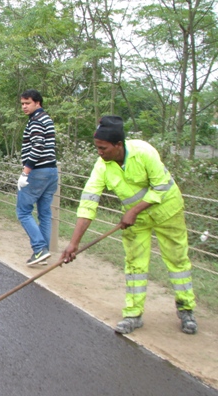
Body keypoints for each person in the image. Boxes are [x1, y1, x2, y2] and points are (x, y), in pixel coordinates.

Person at [60, 116, 198, 335]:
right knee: (135, 264)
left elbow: (161, 185)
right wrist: (74, 243)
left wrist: (133, 210)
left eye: (103, 148)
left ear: (118, 145)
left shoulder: (144, 152)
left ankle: (186, 309)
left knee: (177, 260)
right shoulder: (101, 166)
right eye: (97, 147)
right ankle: (133, 314)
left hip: (167, 211)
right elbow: (88, 202)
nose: (99, 152)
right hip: (136, 221)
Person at [16, 89, 58, 266]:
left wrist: (26, 172)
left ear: (37, 103)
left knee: (23, 211)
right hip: (51, 171)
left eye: (28, 103)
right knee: (45, 214)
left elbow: (37, 146)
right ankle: (43, 253)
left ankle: (40, 248)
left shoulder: (36, 121)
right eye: (22, 104)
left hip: (38, 172)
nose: (24, 107)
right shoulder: (47, 119)